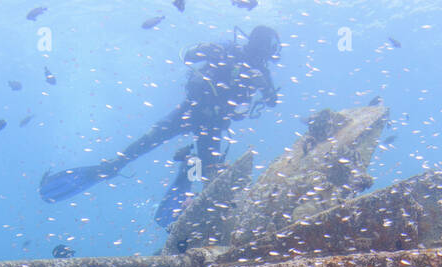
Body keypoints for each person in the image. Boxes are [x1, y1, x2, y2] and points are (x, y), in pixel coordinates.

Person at [39, 25, 281, 226]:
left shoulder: (260, 70)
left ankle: (187, 174)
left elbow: (271, 100)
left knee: (206, 169)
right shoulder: (229, 50)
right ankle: (116, 166)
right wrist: (205, 51)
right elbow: (188, 55)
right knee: (154, 146)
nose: (265, 55)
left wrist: (264, 86)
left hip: (212, 121)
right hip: (193, 110)